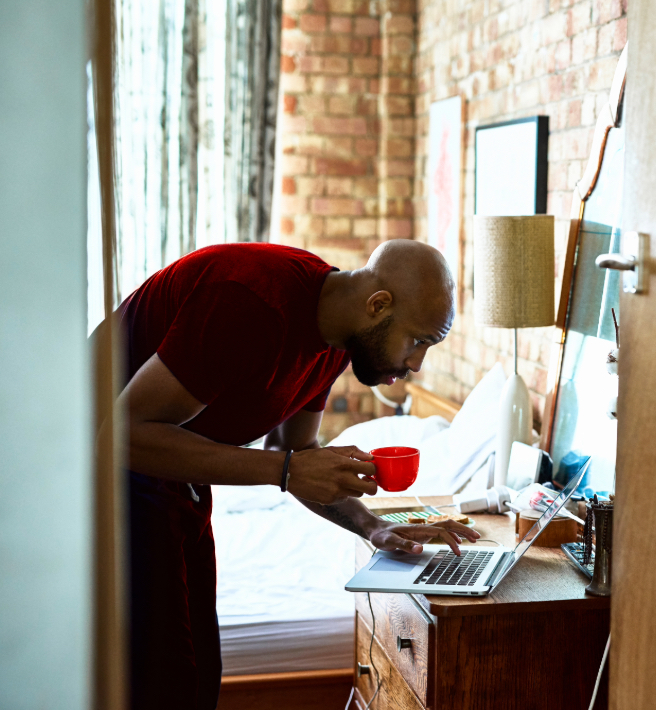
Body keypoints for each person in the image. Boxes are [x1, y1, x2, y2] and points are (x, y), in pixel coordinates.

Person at [117, 240, 480, 710]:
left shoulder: (335, 336)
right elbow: (123, 432)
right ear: (378, 305)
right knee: (166, 684)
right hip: (102, 476)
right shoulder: (249, 302)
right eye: (417, 341)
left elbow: (294, 448)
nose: (415, 365)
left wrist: (374, 526)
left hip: (175, 478)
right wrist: (286, 470)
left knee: (201, 673)